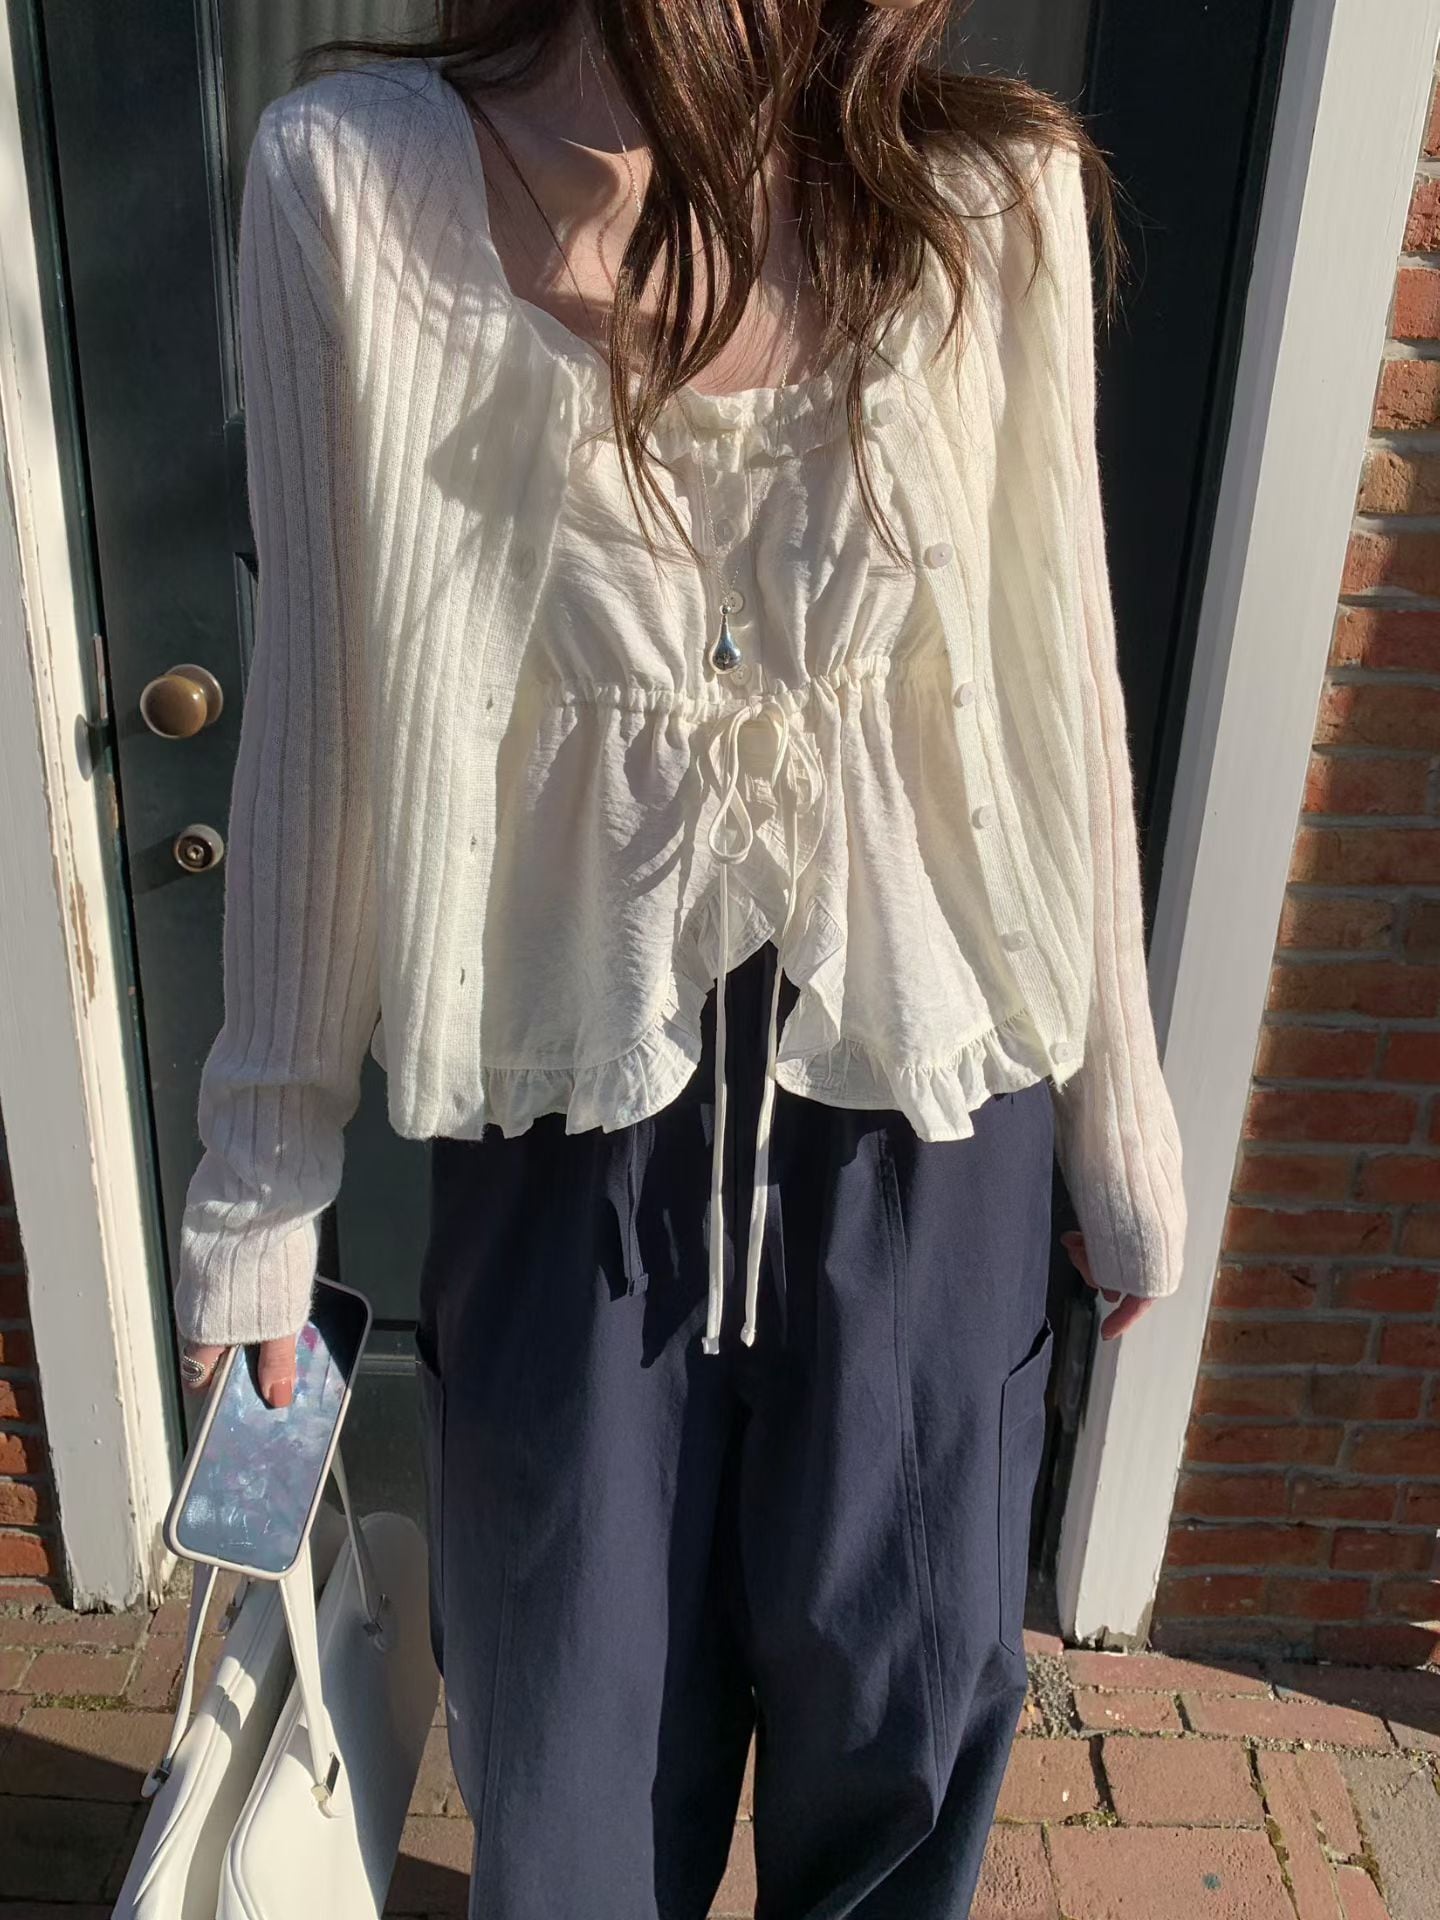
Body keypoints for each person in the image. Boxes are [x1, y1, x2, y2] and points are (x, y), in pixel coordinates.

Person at [173, 3, 1188, 1914]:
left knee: (903, 1738)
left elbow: (1063, 686)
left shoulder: (995, 193)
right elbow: (316, 722)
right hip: (566, 1122)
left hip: (924, 1118)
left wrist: (1118, 1120)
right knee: (563, 1764)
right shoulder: (356, 186)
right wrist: (262, 1177)